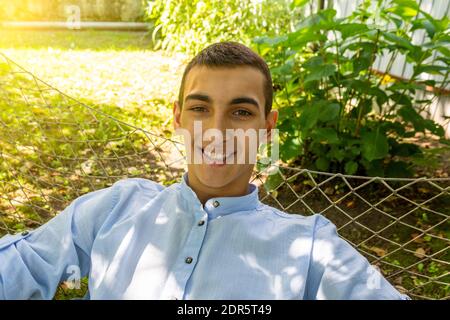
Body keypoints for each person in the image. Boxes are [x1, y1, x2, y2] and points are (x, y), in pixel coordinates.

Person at [0, 42, 409, 300]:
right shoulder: (117, 207)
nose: (216, 131)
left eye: (241, 112)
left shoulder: (310, 248)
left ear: (268, 128)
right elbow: (26, 264)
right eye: (200, 109)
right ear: (177, 118)